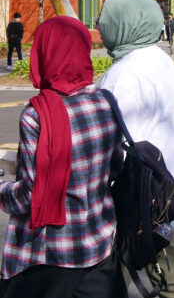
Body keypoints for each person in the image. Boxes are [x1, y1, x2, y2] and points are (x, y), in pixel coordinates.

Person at [0, 16, 126, 298]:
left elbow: (31, 196)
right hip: (99, 244)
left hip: (50, 254)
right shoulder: (106, 101)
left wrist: (3, 191)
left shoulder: (37, 115)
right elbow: (114, 169)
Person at [97, 0, 174, 298]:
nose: (100, 25)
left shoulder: (123, 75)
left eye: (106, 20)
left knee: (171, 278)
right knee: (120, 273)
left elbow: (111, 146)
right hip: (169, 189)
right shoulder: (159, 59)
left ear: (123, 24)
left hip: (144, 199)